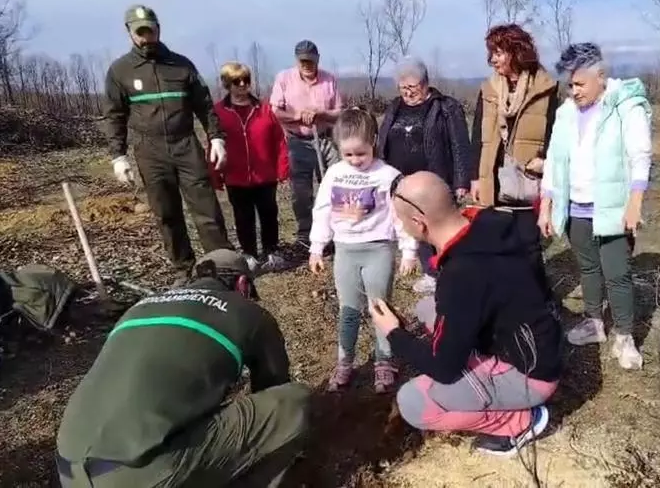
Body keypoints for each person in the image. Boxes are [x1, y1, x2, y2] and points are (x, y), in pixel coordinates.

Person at [56, 249, 311, 487]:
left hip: (69, 468)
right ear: (242, 284)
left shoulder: (138, 308)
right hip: (138, 473)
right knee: (293, 401)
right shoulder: (247, 311)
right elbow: (273, 385)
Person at [369, 171, 563, 457]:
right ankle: (490, 375)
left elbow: (445, 368)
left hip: (532, 374)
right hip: (537, 342)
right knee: (426, 308)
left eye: (400, 219)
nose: (400, 225)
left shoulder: (463, 274)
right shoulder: (488, 225)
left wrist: (394, 333)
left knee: (413, 400)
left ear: (419, 223)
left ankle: (520, 422)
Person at [538, 43, 652, 370]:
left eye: (580, 84)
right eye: (570, 85)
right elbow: (554, 163)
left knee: (617, 274)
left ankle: (625, 335)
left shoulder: (624, 106)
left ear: (601, 77)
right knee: (587, 268)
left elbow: (639, 155)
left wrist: (635, 203)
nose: (573, 91)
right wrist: (547, 205)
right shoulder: (565, 114)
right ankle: (593, 322)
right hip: (576, 207)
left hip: (612, 206)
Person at [104, 4, 233, 286]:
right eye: (139, 33)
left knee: (207, 209)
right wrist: (118, 156)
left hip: (186, 144)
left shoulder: (181, 65)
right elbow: (114, 115)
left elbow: (205, 106)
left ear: (158, 29)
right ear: (130, 34)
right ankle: (184, 270)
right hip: (150, 151)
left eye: (150, 31)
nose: (145, 38)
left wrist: (217, 137)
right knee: (166, 213)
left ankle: (224, 269)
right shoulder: (120, 71)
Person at [308, 108, 417, 393]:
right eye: (349, 155)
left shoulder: (388, 175)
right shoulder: (334, 173)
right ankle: (345, 361)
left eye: (361, 153)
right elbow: (323, 210)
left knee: (380, 307)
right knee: (348, 310)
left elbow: (401, 214)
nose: (356, 161)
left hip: (378, 249)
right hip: (345, 251)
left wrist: (408, 250)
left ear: (373, 143)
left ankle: (384, 361)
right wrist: (317, 247)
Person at [470, 23, 561, 311]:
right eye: (491, 53)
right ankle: (506, 301)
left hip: (528, 179)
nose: (493, 59)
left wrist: (545, 160)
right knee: (497, 244)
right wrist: (475, 176)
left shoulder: (545, 89)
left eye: (499, 52)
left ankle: (541, 303)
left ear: (517, 52)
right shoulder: (489, 90)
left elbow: (556, 133)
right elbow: (478, 135)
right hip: (494, 180)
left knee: (529, 247)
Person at [376, 57, 473, 294]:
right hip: (402, 181)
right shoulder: (394, 108)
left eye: (413, 87)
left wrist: (462, 180)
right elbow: (384, 140)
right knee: (415, 226)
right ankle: (430, 273)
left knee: (439, 226)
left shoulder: (446, 107)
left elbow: (460, 145)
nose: (408, 92)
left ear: (426, 83)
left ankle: (452, 272)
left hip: (435, 179)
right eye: (403, 87)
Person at [211, 61, 290, 273]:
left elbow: (279, 140)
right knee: (242, 216)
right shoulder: (218, 112)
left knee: (268, 213)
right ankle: (249, 254)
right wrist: (215, 174)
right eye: (237, 81)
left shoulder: (264, 109)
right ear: (227, 84)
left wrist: (282, 167)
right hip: (235, 176)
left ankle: (272, 251)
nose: (243, 85)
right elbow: (212, 143)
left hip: (265, 175)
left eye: (246, 80)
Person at [270, 40, 342, 252]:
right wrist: (298, 116)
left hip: (325, 139)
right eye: (303, 61)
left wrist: (320, 114)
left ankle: (336, 232)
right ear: (297, 60)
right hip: (298, 141)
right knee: (301, 191)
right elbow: (275, 111)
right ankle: (305, 235)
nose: (307, 65)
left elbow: (338, 112)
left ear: (317, 59)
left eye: (310, 60)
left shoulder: (329, 79)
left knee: (334, 186)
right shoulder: (284, 79)